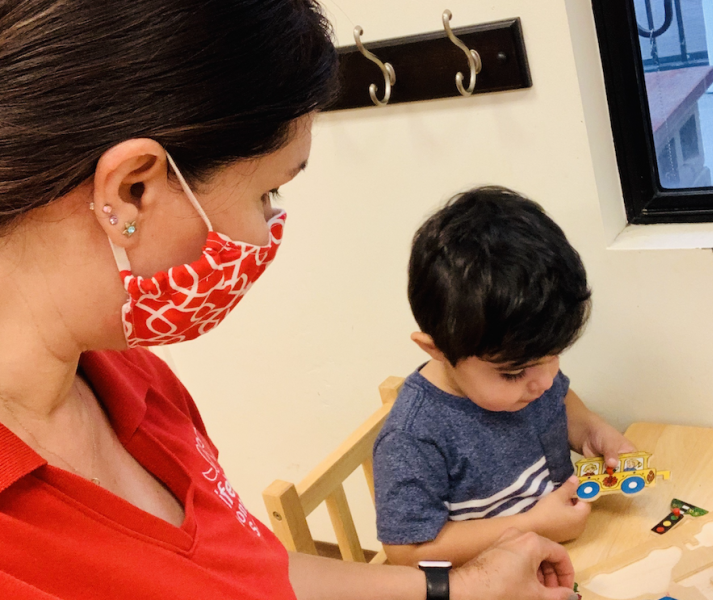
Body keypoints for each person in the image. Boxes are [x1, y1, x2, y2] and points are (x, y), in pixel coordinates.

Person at [0, 2, 579, 599]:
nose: (264, 233)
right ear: (132, 190)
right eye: (266, 191)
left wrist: (462, 588)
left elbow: (255, 575)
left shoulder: (134, 378)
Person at [373, 187, 635, 567]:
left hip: (565, 555)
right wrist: (533, 526)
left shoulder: (529, 373)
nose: (543, 382)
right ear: (437, 350)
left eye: (553, 357)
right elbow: (406, 553)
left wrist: (592, 430)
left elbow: (559, 401)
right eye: (513, 373)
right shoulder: (414, 437)